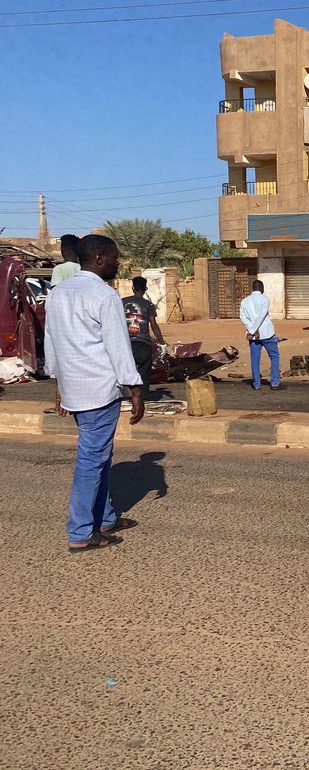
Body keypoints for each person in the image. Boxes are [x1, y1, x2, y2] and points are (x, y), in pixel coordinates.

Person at [44, 234, 145, 552]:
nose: (118, 263)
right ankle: (80, 532)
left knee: (99, 457)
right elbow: (118, 346)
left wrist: (57, 382)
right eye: (115, 257)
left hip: (75, 388)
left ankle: (105, 518)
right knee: (91, 459)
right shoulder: (104, 295)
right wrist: (135, 386)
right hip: (99, 390)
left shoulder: (59, 293)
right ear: (99, 257)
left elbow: (52, 342)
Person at [122, 276, 165, 395]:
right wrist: (162, 343)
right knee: (144, 371)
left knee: (126, 370)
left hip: (125, 343)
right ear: (145, 289)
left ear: (132, 288)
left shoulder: (122, 302)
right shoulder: (148, 305)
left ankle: (127, 395)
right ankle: (143, 396)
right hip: (143, 343)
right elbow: (154, 325)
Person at [239, 280, 282, 391]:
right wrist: (254, 330)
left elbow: (243, 318)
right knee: (274, 356)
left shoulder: (244, 301)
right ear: (262, 288)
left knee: (255, 359)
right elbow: (262, 316)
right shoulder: (265, 299)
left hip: (253, 337)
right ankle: (275, 382)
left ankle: (257, 384)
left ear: (252, 288)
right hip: (267, 333)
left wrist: (251, 330)